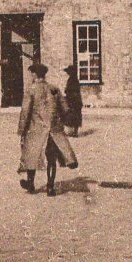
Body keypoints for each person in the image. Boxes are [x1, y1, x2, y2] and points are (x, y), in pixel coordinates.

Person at [18, 62, 78, 196]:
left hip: (36, 128)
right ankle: (50, 187)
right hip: (54, 129)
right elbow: (65, 108)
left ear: (34, 74)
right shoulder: (54, 89)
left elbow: (25, 111)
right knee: (51, 157)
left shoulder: (31, 90)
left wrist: (22, 130)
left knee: (31, 155)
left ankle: (30, 184)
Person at [63, 63, 84, 135]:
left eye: (69, 72)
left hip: (73, 100)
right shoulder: (74, 79)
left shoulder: (72, 79)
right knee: (76, 114)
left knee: (73, 114)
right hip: (76, 99)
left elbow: (70, 90)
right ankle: (74, 131)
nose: (68, 73)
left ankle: (74, 132)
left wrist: (66, 91)